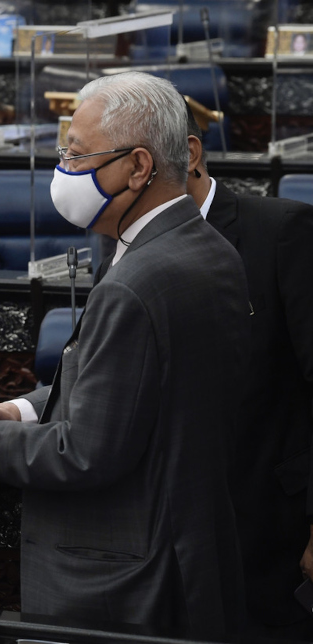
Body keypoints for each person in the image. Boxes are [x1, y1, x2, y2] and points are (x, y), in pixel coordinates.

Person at [0, 72, 249, 640]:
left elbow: (85, 453)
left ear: (139, 166)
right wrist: (14, 411)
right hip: (187, 551)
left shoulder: (137, 280)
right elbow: (128, 387)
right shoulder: (206, 247)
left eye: (75, 154)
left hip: (121, 583)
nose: (63, 170)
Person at [186, 109, 313, 637]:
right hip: (177, 547)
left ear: (188, 155)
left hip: (271, 535)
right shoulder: (123, 250)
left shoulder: (281, 232)